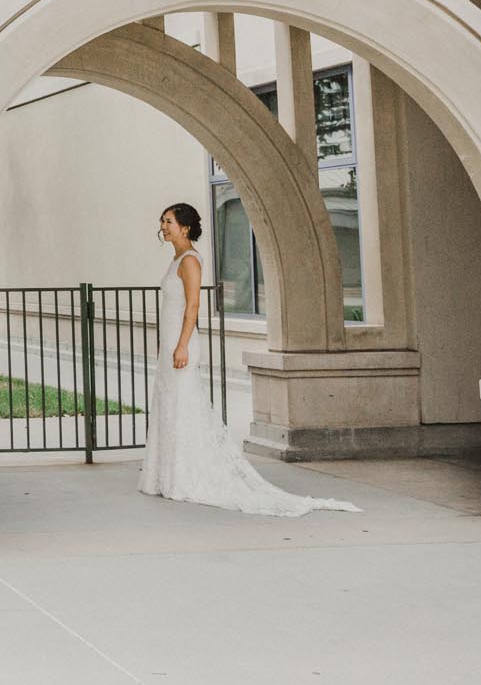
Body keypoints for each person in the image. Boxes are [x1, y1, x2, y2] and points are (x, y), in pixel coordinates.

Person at [139, 202, 358, 516]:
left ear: (185, 227)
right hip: (170, 341)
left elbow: (192, 307)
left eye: (169, 221)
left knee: (182, 406)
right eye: (162, 221)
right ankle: (166, 475)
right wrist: (166, 344)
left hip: (183, 342)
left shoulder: (190, 261)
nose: (163, 226)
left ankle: (185, 476)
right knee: (169, 405)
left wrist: (182, 345)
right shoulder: (175, 259)